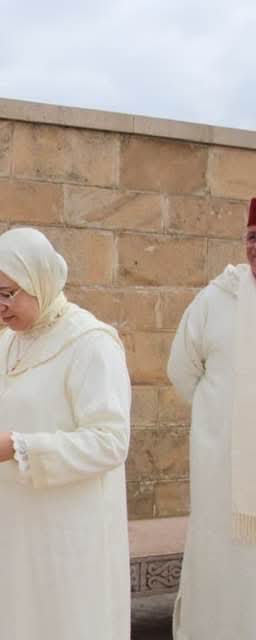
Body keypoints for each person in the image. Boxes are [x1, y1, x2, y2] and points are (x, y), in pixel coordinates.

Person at [0, 227, 131, 640]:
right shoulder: (7, 343)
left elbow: (110, 441)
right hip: (11, 525)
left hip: (67, 530)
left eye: (8, 293)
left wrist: (17, 448)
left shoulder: (91, 343)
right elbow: (3, 417)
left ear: (41, 279)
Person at [167, 197, 256, 639]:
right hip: (222, 471)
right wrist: (224, 420)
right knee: (223, 565)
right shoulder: (216, 299)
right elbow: (181, 370)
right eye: (252, 237)